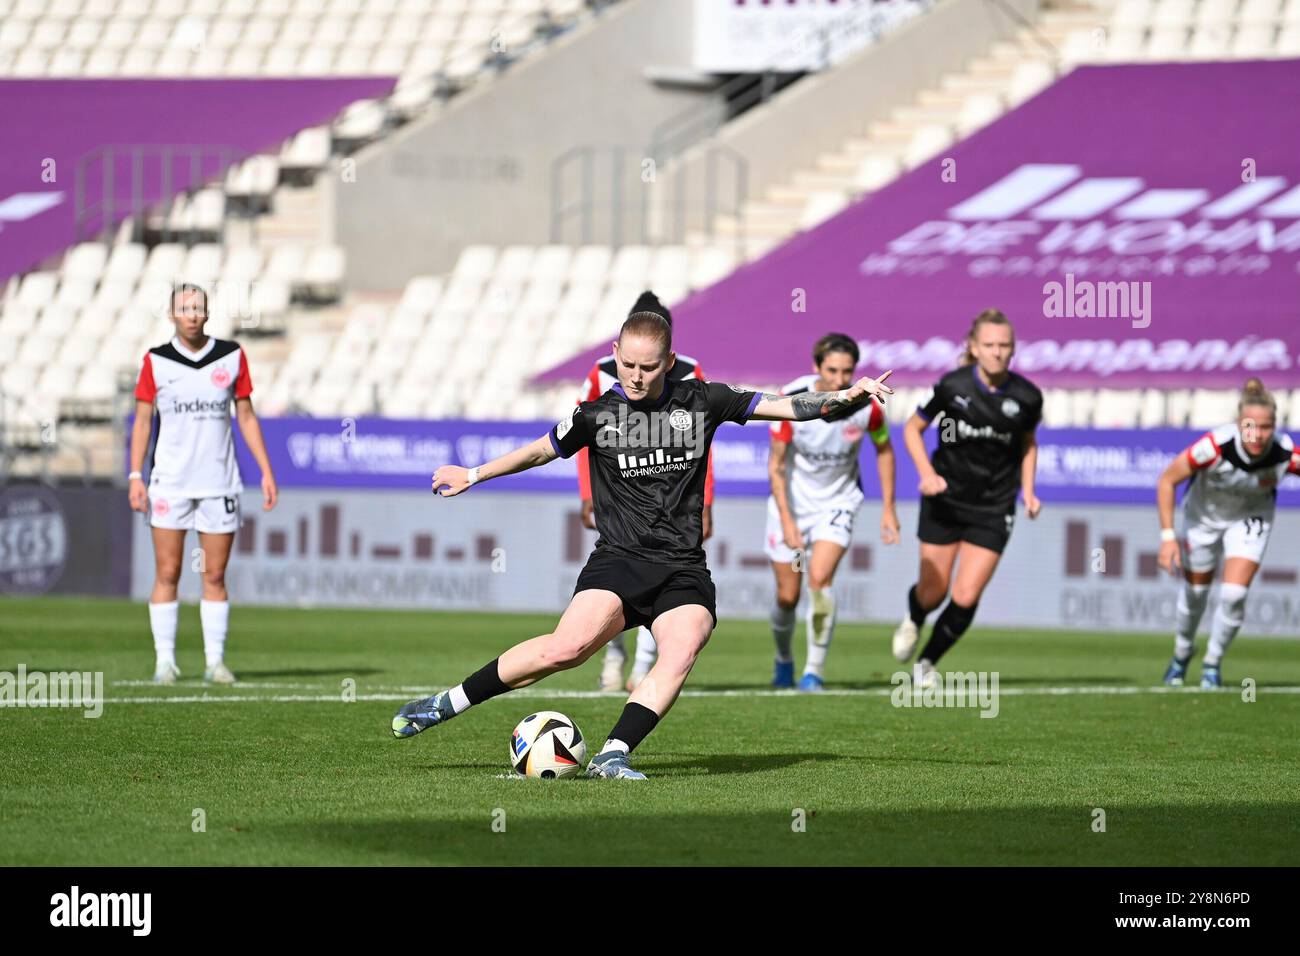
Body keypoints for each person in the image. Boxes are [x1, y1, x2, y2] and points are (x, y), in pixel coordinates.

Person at [391, 309, 894, 778]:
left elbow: (788, 407)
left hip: (682, 568)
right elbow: (539, 452)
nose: (634, 375)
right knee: (566, 650)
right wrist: (474, 474)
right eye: (626, 364)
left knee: (684, 645)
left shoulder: (704, 400)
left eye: (648, 367)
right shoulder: (594, 414)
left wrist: (847, 396)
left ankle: (614, 754)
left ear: (669, 362)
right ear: (615, 354)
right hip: (619, 561)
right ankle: (446, 703)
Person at [127, 283, 278, 684]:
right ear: (172, 315)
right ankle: (165, 662)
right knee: (168, 572)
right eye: (184, 307)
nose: (192, 313)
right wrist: (135, 475)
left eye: (198, 307)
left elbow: (245, 415)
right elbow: (142, 420)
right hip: (169, 483)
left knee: (213, 575)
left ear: (207, 313)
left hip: (219, 483)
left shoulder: (230, 356)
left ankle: (215, 662)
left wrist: (265, 469)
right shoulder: (156, 361)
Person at [891, 309, 1042, 689]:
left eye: (1004, 345)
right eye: (989, 345)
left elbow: (1027, 444)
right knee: (932, 592)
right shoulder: (952, 386)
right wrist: (926, 473)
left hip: (994, 505)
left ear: (1013, 349)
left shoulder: (1027, 396)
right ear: (974, 348)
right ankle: (914, 618)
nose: (997, 352)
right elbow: (912, 428)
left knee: (966, 593)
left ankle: (927, 662)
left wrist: (1028, 490)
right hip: (945, 499)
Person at [576, 291, 716, 693]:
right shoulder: (602, 372)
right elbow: (581, 434)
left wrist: (705, 501)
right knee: (614, 575)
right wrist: (587, 493)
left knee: (664, 579)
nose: (638, 373)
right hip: (618, 493)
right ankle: (614, 654)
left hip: (674, 499)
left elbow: (705, 442)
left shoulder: (692, 374)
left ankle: (642, 666)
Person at [765, 332, 898, 690]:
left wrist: (888, 507)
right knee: (787, 597)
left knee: (820, 581)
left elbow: (884, 449)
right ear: (816, 367)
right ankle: (783, 659)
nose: (841, 380)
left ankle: (814, 671)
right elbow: (776, 465)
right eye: (833, 371)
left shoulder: (866, 404)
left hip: (837, 504)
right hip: (791, 505)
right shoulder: (791, 399)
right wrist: (788, 520)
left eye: (848, 371)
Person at [1156, 378, 1299, 688]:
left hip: (1250, 520)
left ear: (1275, 425)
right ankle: (1181, 653)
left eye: (1265, 427)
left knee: (1234, 595)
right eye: (1250, 426)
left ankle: (1212, 664)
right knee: (1196, 594)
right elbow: (1167, 480)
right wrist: (1168, 537)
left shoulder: (1285, 453)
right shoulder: (1212, 448)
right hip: (1203, 520)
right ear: (1238, 424)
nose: (1257, 434)